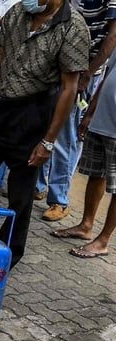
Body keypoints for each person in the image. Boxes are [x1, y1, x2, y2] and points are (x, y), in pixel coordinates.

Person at [0, 0, 90, 267]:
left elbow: (69, 88)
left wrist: (48, 141)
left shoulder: (73, 29)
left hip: (33, 116)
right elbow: (0, 55)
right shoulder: (17, 14)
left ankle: (7, 255)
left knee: (20, 196)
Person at [40, 0, 116, 223]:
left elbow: (112, 35)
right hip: (69, 63)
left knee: (65, 134)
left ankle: (59, 198)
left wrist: (87, 73)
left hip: (84, 70)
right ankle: (41, 187)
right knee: (52, 125)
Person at [63, 53, 116, 257]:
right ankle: (86, 225)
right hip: (103, 121)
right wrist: (91, 113)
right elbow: (106, 78)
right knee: (96, 175)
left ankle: (103, 241)